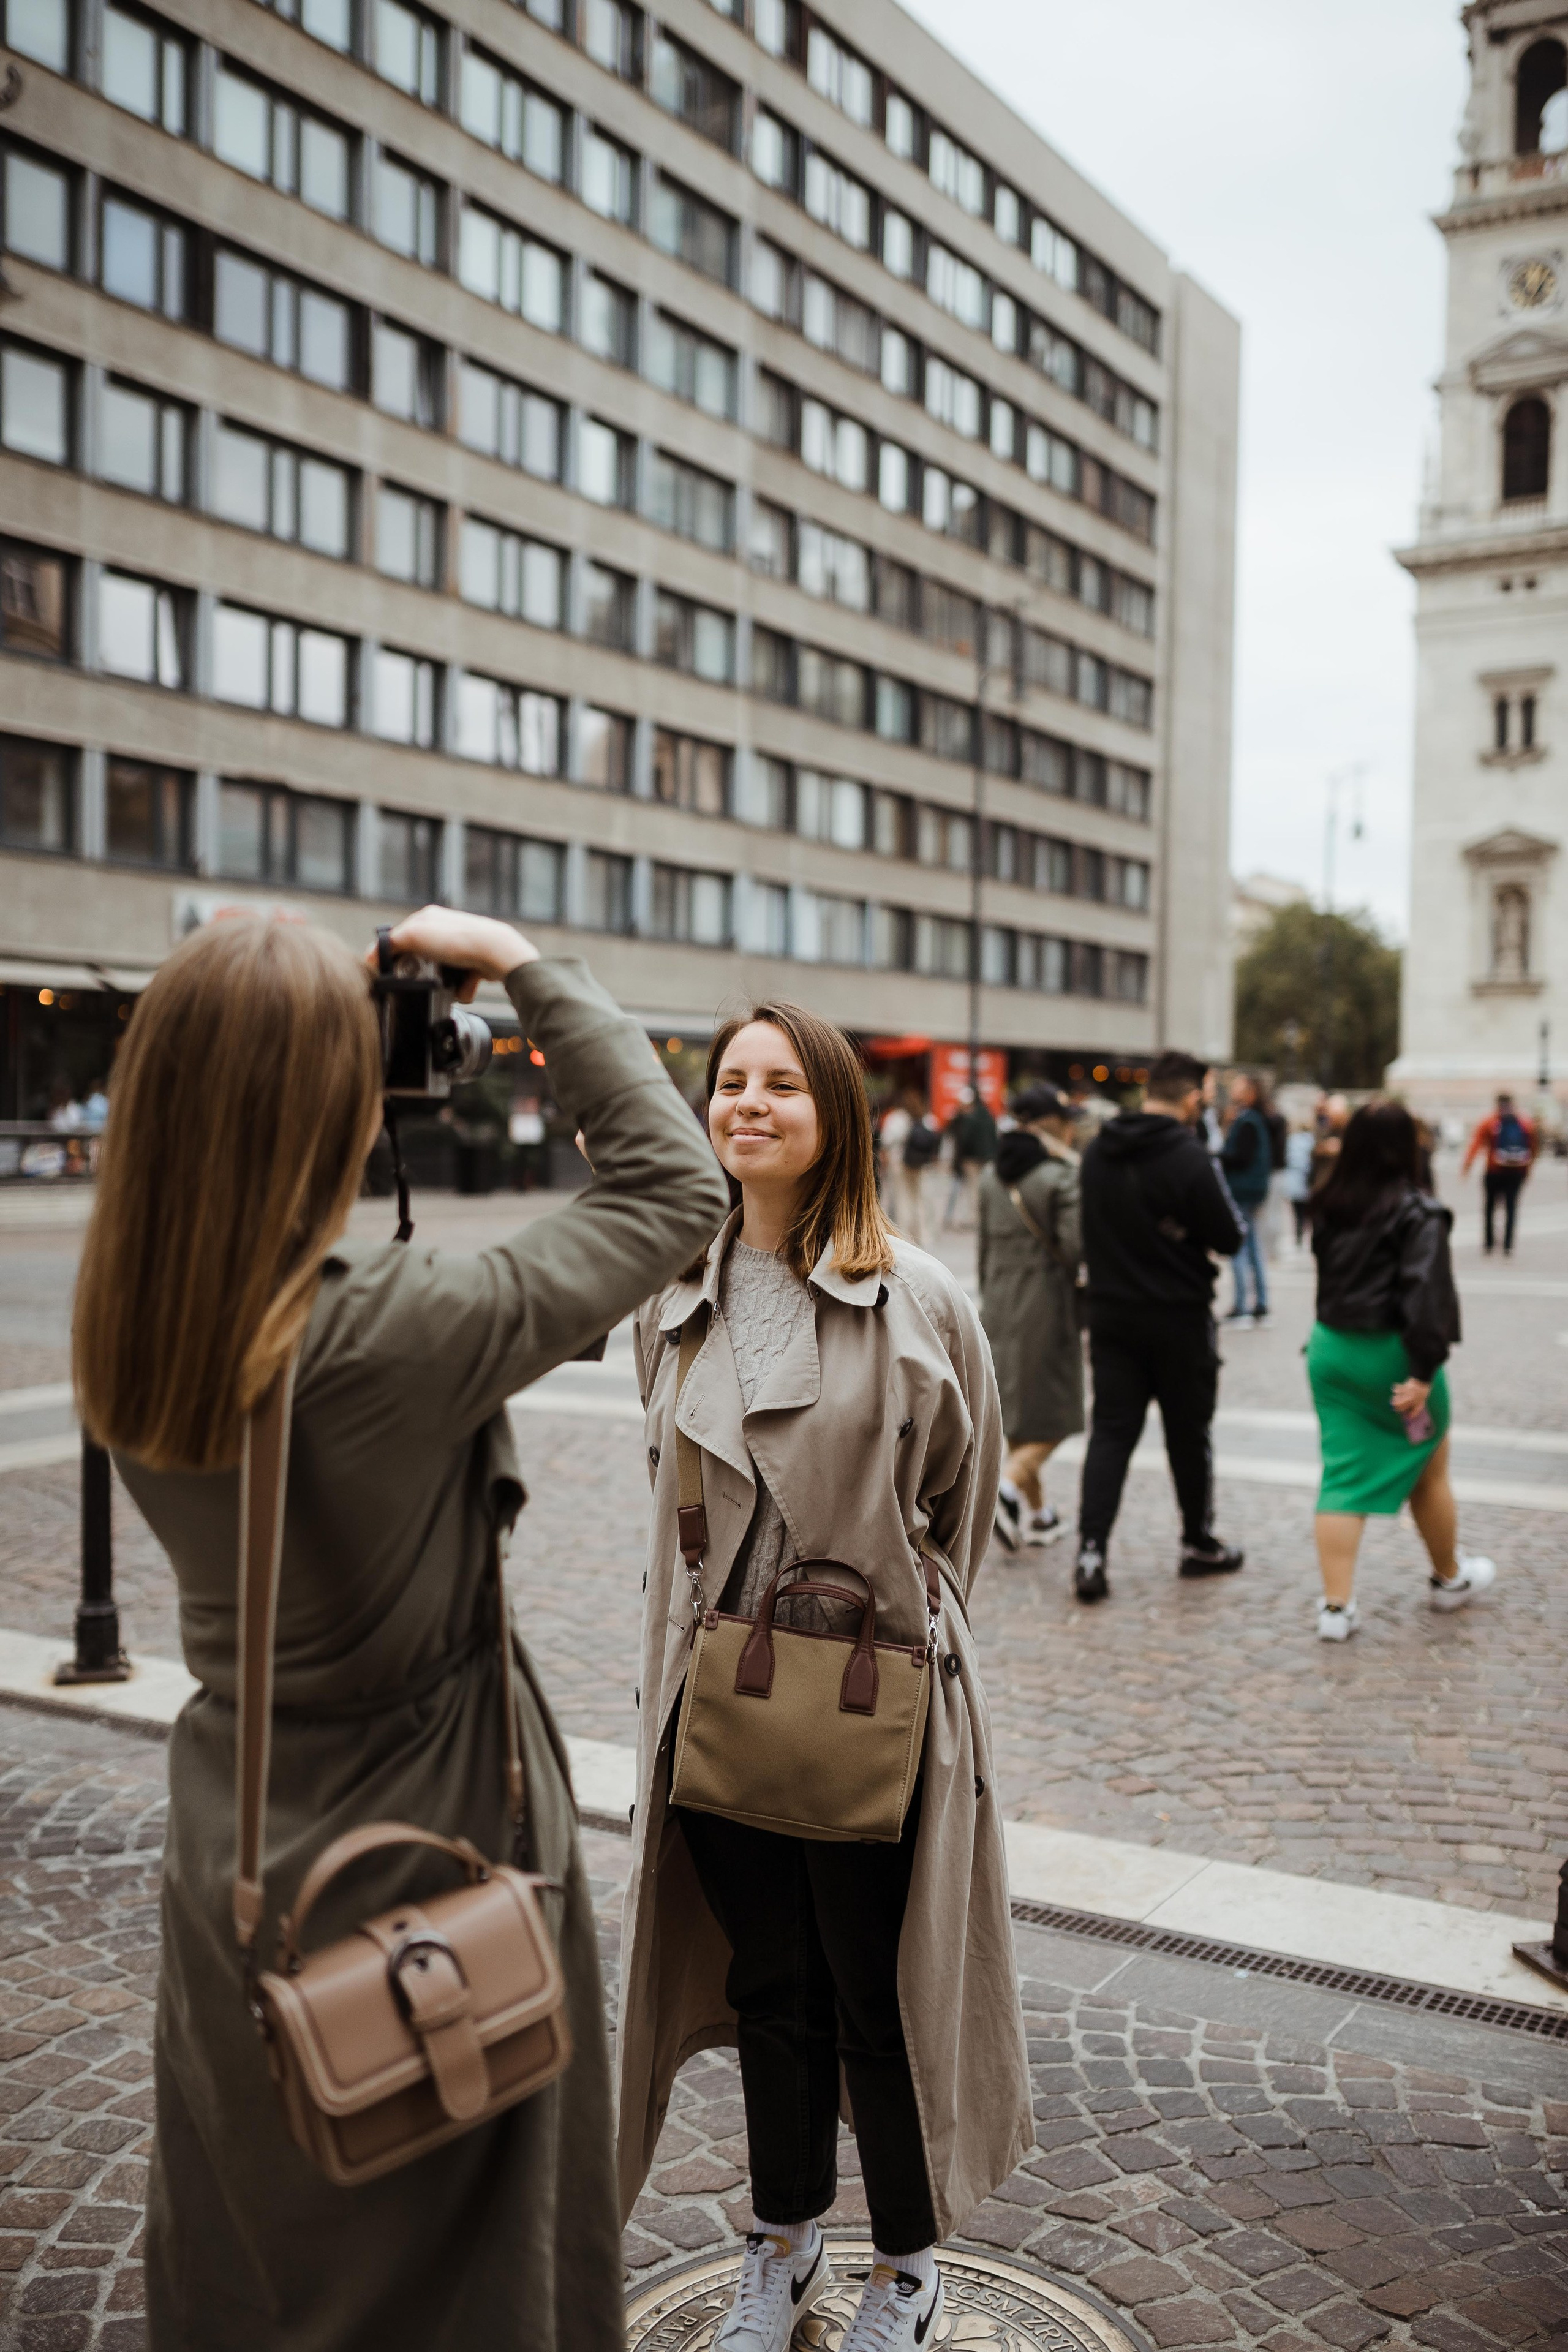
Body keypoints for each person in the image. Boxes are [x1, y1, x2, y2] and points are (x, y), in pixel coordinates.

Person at [72, 908, 729, 2352]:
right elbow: (677, 1187)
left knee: (268, 2214)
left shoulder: (133, 1309)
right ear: (331, 1105)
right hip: (432, 1823)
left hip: (238, 1828)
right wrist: (516, 961)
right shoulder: (391, 1326)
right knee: (459, 2243)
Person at [621, 1003, 1031, 2352]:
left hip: (870, 1700)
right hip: (722, 1697)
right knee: (767, 1987)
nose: (748, 1104)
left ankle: (905, 2263)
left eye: (780, 1085)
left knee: (880, 1990)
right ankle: (782, 2238)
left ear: (833, 1113)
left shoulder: (914, 1294)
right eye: (729, 1082)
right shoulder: (674, 1284)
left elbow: (958, 1508)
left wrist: (898, 1630)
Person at [1307, 1099, 1494, 1641]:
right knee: (1430, 1470)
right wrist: (1424, 1368)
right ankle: (1448, 1578)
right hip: (1391, 1354)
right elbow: (1425, 1294)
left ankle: (1336, 1609)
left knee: (1342, 1475)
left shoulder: (1329, 1203)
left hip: (1331, 1348)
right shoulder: (1419, 1212)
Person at [1073, 1050, 1247, 1604]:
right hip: (1179, 1316)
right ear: (1193, 1098)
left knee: (1111, 1432)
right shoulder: (1190, 1156)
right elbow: (1230, 1236)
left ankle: (1091, 1550)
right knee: (1188, 1434)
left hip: (1112, 1314)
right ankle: (1197, 1542)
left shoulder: (1097, 1150)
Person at [978, 1082, 1083, 1550]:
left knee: (1022, 1412)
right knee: (1059, 1414)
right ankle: (1008, 1487)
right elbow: (1077, 1248)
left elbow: (982, 1250)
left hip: (999, 1299)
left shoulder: (989, 1175)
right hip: (1046, 1300)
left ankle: (1039, 1516)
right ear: (1055, 1124)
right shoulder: (1060, 1175)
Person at [1219, 1072, 1273, 1328]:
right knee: (1252, 1245)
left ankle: (1242, 1305)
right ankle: (1259, 1302)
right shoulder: (1254, 1119)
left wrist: (1218, 1155)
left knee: (1240, 1246)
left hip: (1242, 1191)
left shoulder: (1248, 1121)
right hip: (1251, 1191)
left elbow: (1241, 1157)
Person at [1461, 1090, 1537, 1256]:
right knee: (1511, 1207)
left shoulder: (1489, 1121)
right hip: (1516, 1171)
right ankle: (1508, 1245)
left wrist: (1467, 1166)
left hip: (1494, 1170)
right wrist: (1528, 1169)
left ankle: (1489, 1243)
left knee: (1489, 1208)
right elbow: (1533, 1148)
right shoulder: (1524, 1122)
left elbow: (1476, 1144)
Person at [880, 1087, 940, 1247]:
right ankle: (923, 1236)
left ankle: (904, 1237)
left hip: (900, 1164)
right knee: (919, 1199)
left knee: (903, 1200)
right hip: (920, 1164)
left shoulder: (897, 1118)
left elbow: (886, 1141)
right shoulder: (926, 1118)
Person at [941, 1085, 997, 1230]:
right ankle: (978, 1217)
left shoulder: (970, 1118)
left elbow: (964, 1139)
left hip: (971, 1158)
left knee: (973, 1189)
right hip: (986, 1157)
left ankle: (975, 1218)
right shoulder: (987, 1115)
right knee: (979, 1187)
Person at [1283, 1121, 1316, 1248]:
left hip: (1296, 1182)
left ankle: (1299, 1233)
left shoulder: (1293, 1141)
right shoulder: (1310, 1142)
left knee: (1298, 1212)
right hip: (1304, 1182)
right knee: (1304, 1212)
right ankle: (1301, 1233)